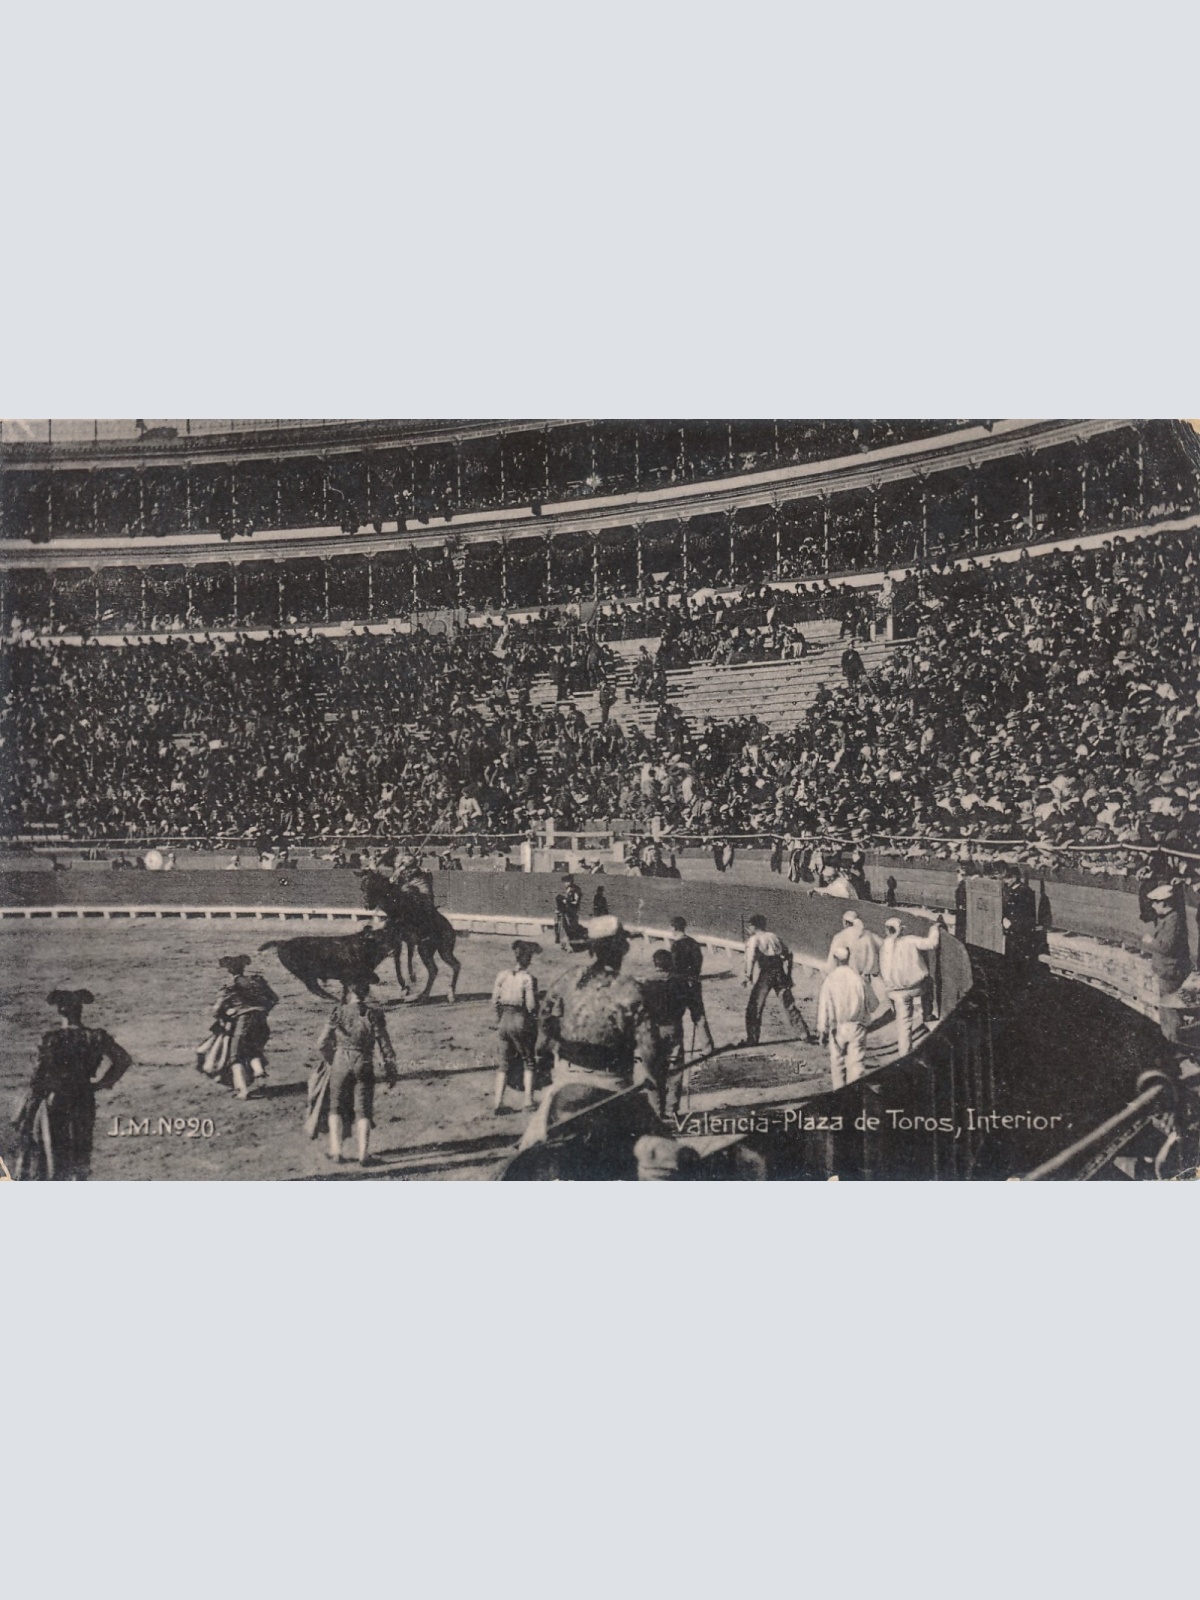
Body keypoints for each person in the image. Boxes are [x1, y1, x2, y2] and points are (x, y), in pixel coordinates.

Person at [520, 915, 659, 1152]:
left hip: (566, 1078)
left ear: (591, 949)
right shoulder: (632, 989)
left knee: (528, 1150)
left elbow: (543, 1014)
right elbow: (650, 1049)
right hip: (613, 1084)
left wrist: (549, 1044)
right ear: (623, 949)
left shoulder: (570, 978)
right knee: (660, 1152)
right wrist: (654, 1077)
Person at [12, 989, 132, 1180]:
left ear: (60, 1010)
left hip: (55, 1101)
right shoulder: (96, 1037)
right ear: (80, 1010)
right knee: (80, 1154)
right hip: (84, 1098)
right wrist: (101, 1084)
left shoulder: (52, 1039)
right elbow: (123, 1060)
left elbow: (38, 1080)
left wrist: (27, 1112)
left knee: (54, 1156)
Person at [313, 976, 398, 1165]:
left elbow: (320, 1043)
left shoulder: (338, 1012)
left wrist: (331, 1059)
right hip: (364, 1061)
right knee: (363, 1110)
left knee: (335, 1107)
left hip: (341, 1061)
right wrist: (391, 1068)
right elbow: (385, 1045)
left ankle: (336, 1151)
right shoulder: (373, 1014)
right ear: (366, 993)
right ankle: (363, 1155)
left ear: (349, 992)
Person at [198, 953, 278, 1099]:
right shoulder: (258, 981)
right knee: (252, 1050)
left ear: (229, 971)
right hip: (262, 1022)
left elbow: (216, 1011)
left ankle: (243, 1091)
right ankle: (259, 1073)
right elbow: (274, 999)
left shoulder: (229, 987)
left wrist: (226, 1016)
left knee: (236, 1057)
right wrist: (263, 1010)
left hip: (244, 1023)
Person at [743, 913, 813, 1045]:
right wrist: (788, 974)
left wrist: (748, 976)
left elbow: (750, 959)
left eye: (749, 925)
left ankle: (752, 1038)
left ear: (754, 926)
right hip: (779, 971)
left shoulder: (754, 939)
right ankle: (804, 1033)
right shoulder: (773, 936)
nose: (748, 927)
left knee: (755, 1005)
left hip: (766, 974)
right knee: (788, 1004)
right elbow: (788, 955)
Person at [879, 916, 941, 1057]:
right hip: (916, 988)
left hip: (896, 993)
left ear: (887, 931)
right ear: (901, 930)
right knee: (928, 984)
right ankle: (927, 1014)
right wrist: (934, 929)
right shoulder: (910, 940)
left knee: (904, 1023)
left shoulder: (885, 946)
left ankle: (904, 1054)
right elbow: (932, 944)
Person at [640, 946, 691, 1116]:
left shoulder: (646, 984)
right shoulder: (680, 982)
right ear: (671, 964)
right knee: (675, 1068)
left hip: (651, 1029)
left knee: (653, 1069)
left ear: (655, 964)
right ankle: (672, 1108)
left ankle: (656, 1108)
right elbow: (692, 1007)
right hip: (674, 1028)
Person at [491, 940, 540, 1114]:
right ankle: (528, 1101)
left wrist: (499, 1020)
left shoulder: (502, 975)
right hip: (520, 1020)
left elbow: (495, 1001)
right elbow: (531, 1006)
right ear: (528, 958)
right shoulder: (528, 978)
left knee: (503, 1064)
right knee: (529, 1061)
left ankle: (498, 1103)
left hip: (504, 1020)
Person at [816, 947, 869, 1089]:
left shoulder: (830, 979)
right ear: (848, 958)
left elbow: (824, 1007)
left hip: (837, 1028)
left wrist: (822, 1030)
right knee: (856, 1067)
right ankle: (855, 1100)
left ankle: (840, 1099)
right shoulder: (858, 978)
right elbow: (872, 1005)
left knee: (838, 1066)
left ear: (835, 959)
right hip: (857, 1026)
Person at [667, 915, 716, 1056]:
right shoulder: (693, 942)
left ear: (675, 928)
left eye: (671, 927)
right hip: (694, 982)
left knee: (676, 1016)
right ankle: (708, 1048)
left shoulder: (676, 945)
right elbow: (698, 962)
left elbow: (674, 966)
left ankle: (677, 1050)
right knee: (699, 1016)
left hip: (679, 984)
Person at [827, 909, 882, 1011]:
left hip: (848, 976)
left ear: (846, 922)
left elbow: (832, 959)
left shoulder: (840, 936)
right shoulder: (867, 934)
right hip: (865, 976)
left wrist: (830, 974)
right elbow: (882, 946)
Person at [555, 873, 584, 949]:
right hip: (566, 911)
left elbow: (576, 902)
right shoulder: (568, 889)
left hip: (572, 911)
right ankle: (565, 945)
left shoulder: (576, 889)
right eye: (565, 882)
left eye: (567, 882)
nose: (565, 883)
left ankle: (573, 946)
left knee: (571, 928)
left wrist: (566, 901)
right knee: (564, 927)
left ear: (571, 881)